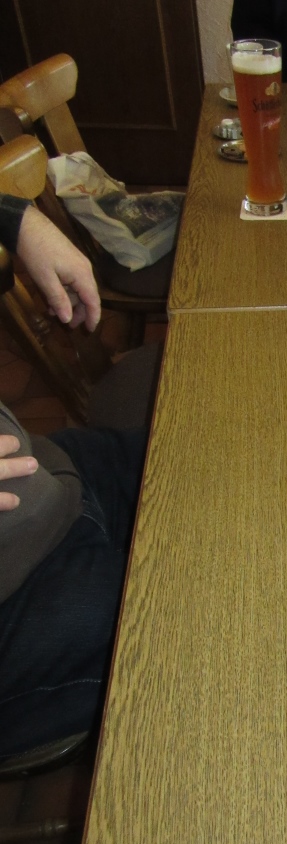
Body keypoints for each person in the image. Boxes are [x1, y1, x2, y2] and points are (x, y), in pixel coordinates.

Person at [0, 197, 146, 758]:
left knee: (215, 468)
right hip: (25, 598)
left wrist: (16, 218)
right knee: (211, 615)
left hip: (57, 479)